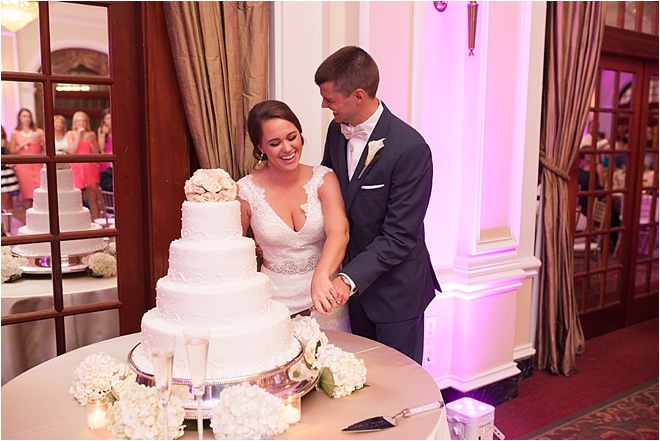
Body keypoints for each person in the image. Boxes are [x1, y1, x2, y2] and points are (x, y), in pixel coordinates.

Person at [314, 46, 440, 364]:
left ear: (358, 95)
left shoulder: (410, 149)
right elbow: (330, 195)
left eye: (330, 99)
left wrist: (347, 278)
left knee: (399, 388)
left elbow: (399, 236)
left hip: (397, 293)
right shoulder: (335, 131)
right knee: (363, 380)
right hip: (355, 294)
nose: (324, 105)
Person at [236, 100, 351, 332]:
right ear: (260, 147)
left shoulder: (324, 179)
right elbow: (235, 252)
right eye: (275, 143)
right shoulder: (245, 191)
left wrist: (321, 277)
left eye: (292, 137)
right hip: (272, 304)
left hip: (326, 299)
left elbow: (339, 232)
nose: (287, 148)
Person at [8, 108, 45, 214]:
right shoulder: (15, 133)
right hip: (23, 166)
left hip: (37, 164)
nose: (27, 119)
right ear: (19, 118)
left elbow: (45, 148)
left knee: (40, 191)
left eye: (29, 116)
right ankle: (28, 219)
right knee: (26, 193)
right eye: (24, 116)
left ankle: (43, 216)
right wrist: (20, 146)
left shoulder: (38, 131)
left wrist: (41, 141)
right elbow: (12, 151)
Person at [66, 111, 100, 219]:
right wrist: (78, 136)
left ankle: (96, 223)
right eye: (79, 121)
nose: (82, 123)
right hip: (77, 168)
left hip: (90, 167)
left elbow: (96, 153)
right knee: (77, 198)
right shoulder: (70, 134)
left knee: (93, 198)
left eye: (84, 121)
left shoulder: (91, 134)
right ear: (75, 122)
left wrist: (91, 142)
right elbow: (72, 151)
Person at [1, 126, 20, 216]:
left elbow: (12, 153)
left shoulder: (6, 143)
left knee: (9, 198)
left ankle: (7, 224)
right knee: (4, 197)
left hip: (7, 172)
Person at [97, 108, 112, 173]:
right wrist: (103, 134)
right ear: (104, 120)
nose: (110, 121)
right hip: (106, 158)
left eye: (111, 118)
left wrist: (110, 133)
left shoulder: (119, 129)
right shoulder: (100, 129)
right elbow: (101, 148)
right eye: (107, 118)